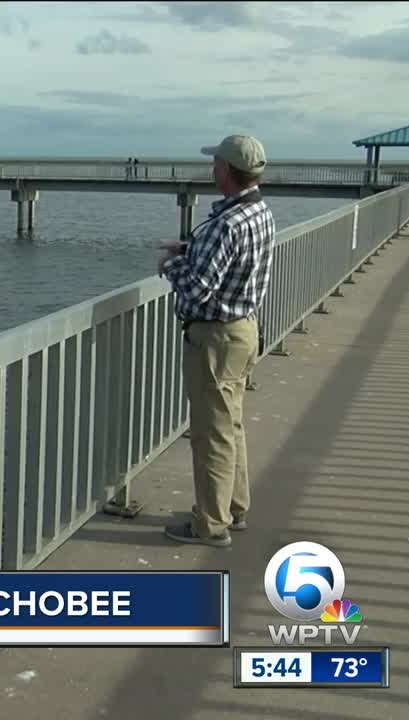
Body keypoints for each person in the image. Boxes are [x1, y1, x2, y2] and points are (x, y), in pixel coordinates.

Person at [157, 134, 275, 547]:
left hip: (215, 339)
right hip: (244, 331)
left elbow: (197, 290)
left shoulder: (224, 224)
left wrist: (171, 264)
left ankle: (210, 525)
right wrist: (192, 248)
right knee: (231, 424)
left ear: (226, 170)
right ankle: (234, 508)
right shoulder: (258, 212)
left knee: (211, 434)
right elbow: (233, 259)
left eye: (215, 165)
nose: (211, 170)